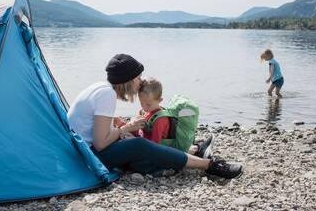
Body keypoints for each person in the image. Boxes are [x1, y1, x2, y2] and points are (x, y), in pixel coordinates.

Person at [67, 53, 242, 179]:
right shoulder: (107, 95)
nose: (141, 82)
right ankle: (210, 165)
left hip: (80, 150)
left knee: (142, 153)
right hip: (89, 155)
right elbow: (100, 142)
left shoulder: (101, 87)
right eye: (138, 77)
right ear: (127, 80)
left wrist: (122, 129)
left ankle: (194, 151)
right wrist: (126, 128)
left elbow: (96, 133)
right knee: (140, 145)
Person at [135, 77, 214, 158]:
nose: (144, 107)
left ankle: (199, 152)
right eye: (141, 103)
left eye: (148, 104)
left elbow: (155, 145)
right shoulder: (145, 112)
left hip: (165, 152)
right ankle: (196, 149)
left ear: (160, 100)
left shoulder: (160, 120)